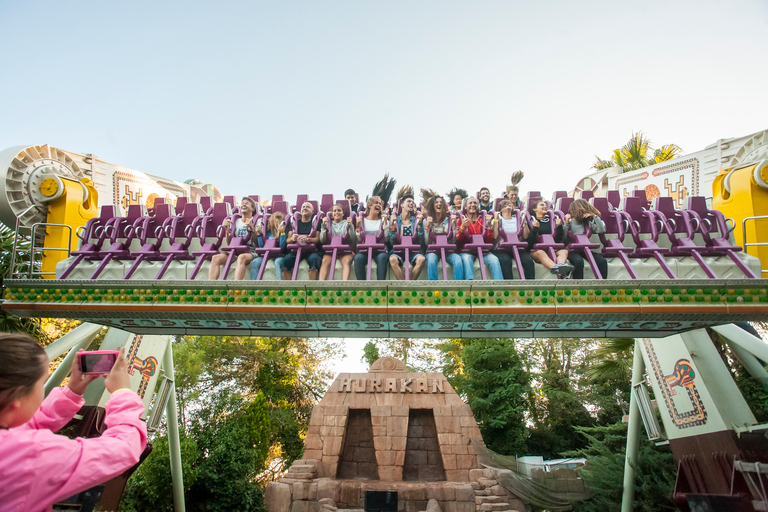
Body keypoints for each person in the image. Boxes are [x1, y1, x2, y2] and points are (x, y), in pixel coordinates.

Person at [0, 334, 146, 511]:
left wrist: (72, 392)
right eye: (42, 383)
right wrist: (122, 392)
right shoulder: (33, 454)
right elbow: (124, 449)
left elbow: (23, 425)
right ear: (17, 400)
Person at [208, 196, 258, 280]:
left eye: (247, 204)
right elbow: (229, 243)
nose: (244, 205)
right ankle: (211, 286)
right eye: (242, 204)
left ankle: (235, 287)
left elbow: (257, 243)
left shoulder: (256, 221)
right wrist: (227, 230)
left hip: (251, 251)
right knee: (215, 258)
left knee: (241, 257)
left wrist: (252, 228)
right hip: (234, 251)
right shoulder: (235, 221)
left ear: (252, 208)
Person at [455, 196, 503, 280]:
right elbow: (459, 240)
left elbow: (488, 241)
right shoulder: (461, 219)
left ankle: (499, 285)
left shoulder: (482, 219)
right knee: (466, 259)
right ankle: (470, 284)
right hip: (467, 251)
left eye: (475, 203)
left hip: (483, 250)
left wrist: (488, 226)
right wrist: (462, 227)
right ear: (465, 207)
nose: (473, 205)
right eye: (470, 203)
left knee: (494, 260)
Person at [421, 190, 464, 280]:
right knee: (431, 260)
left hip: (448, 250)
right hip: (433, 250)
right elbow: (426, 242)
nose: (439, 204)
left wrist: (455, 226)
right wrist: (427, 227)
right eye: (436, 202)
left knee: (457, 260)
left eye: (441, 202)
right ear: (433, 205)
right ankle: (434, 287)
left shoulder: (449, 219)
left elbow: (453, 241)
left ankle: (458, 287)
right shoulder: (427, 220)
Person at [524, 199, 573, 275]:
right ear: (535, 209)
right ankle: (556, 269)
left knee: (564, 251)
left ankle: (560, 266)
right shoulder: (532, 221)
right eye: (542, 205)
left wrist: (559, 227)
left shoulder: (551, 221)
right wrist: (535, 229)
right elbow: (529, 242)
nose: (545, 206)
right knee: (541, 252)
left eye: (545, 205)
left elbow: (558, 240)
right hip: (537, 251)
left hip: (552, 249)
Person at [562, 199, 608, 279]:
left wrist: (595, 216)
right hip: (571, 251)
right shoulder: (568, 222)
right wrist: (567, 225)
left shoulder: (587, 224)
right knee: (578, 261)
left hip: (585, 250)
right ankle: (578, 285)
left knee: (602, 261)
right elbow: (563, 238)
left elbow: (601, 230)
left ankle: (602, 285)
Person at [386, 188, 426, 280]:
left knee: (421, 259)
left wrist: (419, 225)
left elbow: (420, 240)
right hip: (398, 251)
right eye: (409, 201)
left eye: (412, 202)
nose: (411, 203)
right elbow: (392, 241)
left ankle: (410, 284)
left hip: (413, 251)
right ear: (402, 205)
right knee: (392, 259)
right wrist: (392, 226)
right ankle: (403, 285)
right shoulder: (395, 220)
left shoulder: (415, 220)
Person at [491, 199, 535, 279]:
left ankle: (530, 286)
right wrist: (495, 219)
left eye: (509, 204)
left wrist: (524, 220)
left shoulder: (517, 219)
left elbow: (525, 236)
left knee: (528, 261)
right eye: (504, 205)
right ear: (500, 209)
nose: (507, 206)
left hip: (517, 247)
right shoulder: (497, 219)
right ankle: (509, 286)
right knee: (505, 261)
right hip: (501, 249)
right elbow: (495, 236)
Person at [281, 202, 322, 280]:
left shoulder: (317, 223)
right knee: (286, 261)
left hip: (311, 251)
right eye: (303, 207)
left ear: (312, 211)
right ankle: (288, 288)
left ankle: (311, 287)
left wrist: (307, 239)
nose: (305, 208)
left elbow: (317, 239)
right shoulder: (294, 223)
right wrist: (293, 238)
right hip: (295, 251)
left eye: (308, 207)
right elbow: (288, 240)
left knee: (315, 259)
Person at [353, 196, 389, 280]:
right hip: (365, 250)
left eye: (380, 204)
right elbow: (358, 239)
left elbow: (386, 239)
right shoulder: (362, 220)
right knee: (358, 258)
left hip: (379, 251)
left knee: (382, 258)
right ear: (369, 205)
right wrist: (357, 226)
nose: (378, 205)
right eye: (376, 203)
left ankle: (381, 286)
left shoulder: (383, 220)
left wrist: (386, 224)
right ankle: (362, 286)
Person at [319, 204, 355, 280]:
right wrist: (323, 226)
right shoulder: (329, 223)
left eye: (339, 210)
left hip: (345, 250)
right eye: (334, 211)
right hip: (331, 250)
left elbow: (353, 238)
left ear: (343, 213)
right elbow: (322, 240)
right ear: (332, 214)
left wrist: (350, 226)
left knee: (346, 261)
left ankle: (344, 284)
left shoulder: (346, 223)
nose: (337, 212)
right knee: (325, 261)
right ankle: (321, 284)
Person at [250, 210, 286, 280]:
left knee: (278, 262)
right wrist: (259, 235)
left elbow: (282, 246)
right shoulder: (267, 233)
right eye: (275, 218)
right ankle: (254, 284)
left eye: (279, 218)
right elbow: (261, 247)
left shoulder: (283, 232)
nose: (276, 220)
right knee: (255, 261)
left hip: (278, 255)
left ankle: (280, 283)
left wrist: (282, 233)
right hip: (266, 255)